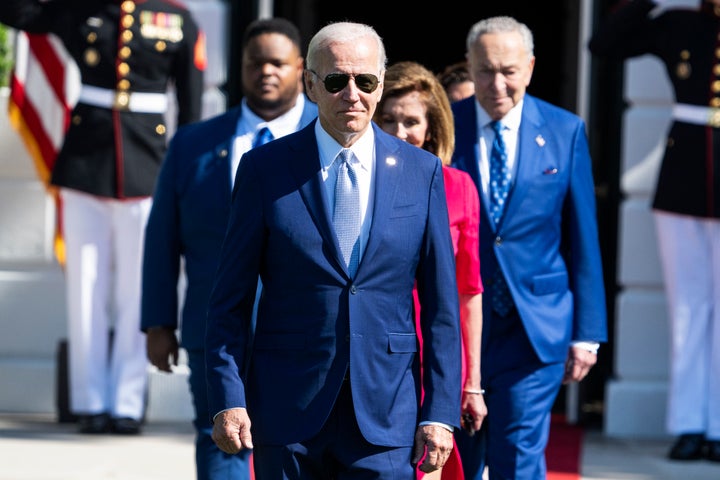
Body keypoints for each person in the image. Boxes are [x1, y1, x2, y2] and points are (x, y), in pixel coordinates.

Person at [204, 21, 462, 479]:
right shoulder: (265, 169)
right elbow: (230, 301)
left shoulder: (421, 173)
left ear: (380, 86)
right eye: (336, 80)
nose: (352, 94)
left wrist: (439, 412)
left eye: (364, 81)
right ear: (310, 85)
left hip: (385, 415)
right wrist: (229, 398)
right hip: (287, 411)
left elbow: (442, 308)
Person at [0, 0, 205, 435]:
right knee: (84, 289)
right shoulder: (82, 9)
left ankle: (127, 403)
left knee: (138, 289)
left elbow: (190, 105)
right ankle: (89, 401)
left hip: (148, 165)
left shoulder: (176, 18)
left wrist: (184, 173)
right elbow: (16, 15)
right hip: (85, 162)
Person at [140, 17, 317, 479]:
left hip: (304, 329)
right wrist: (158, 321)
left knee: (298, 442)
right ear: (240, 67)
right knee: (221, 438)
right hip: (214, 329)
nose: (266, 72)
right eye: (255, 62)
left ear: (300, 69)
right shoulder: (193, 144)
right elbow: (162, 237)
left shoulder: (327, 140)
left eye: (278, 63)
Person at [451, 16, 608, 480]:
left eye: (509, 71)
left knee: (517, 457)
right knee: (457, 456)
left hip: (534, 327)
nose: (497, 84)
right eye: (484, 70)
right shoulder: (446, 127)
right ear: (469, 66)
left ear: (531, 68)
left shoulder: (564, 130)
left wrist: (587, 333)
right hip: (461, 327)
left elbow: (583, 237)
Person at [589, 0, 720, 463]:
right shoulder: (681, 23)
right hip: (685, 173)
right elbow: (603, 44)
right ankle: (691, 425)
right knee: (688, 307)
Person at [374, 60, 486, 480]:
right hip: (374, 352)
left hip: (435, 357)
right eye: (387, 120)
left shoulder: (458, 187)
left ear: (433, 127)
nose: (399, 133)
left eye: (410, 121)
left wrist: (470, 382)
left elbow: (468, 292)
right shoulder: (353, 182)